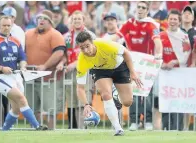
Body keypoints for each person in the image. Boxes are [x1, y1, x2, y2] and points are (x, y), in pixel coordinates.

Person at [75, 31, 142, 136]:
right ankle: (118, 128)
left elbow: (126, 53)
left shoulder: (106, 45)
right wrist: (86, 104)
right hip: (100, 71)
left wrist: (133, 72)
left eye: (87, 46)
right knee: (106, 94)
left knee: (127, 102)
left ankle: (115, 94)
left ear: (93, 43)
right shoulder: (82, 60)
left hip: (119, 67)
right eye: (82, 48)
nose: (86, 50)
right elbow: (80, 88)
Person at [111, 1, 163, 131]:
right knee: (132, 91)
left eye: (143, 8)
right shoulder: (129, 23)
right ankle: (133, 120)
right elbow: (116, 37)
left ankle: (148, 120)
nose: (140, 9)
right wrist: (103, 44)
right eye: (138, 7)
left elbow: (157, 41)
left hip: (147, 64)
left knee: (147, 93)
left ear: (147, 10)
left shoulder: (151, 24)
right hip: (132, 63)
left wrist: (159, 53)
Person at [0, 16, 47, 131]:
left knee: (16, 108)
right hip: (0, 77)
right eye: (4, 25)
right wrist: (2, 68)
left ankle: (5, 131)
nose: (6, 28)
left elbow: (22, 58)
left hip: (15, 76)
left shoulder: (16, 40)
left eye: (8, 25)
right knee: (21, 98)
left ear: (11, 26)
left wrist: (23, 66)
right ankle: (37, 126)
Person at [25, 10, 66, 129]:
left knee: (50, 109)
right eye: (39, 18)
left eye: (45, 19)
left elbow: (59, 53)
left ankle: (51, 132)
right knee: (32, 107)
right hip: (30, 76)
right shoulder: (27, 34)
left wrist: (45, 66)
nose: (41, 20)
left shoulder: (55, 34)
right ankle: (36, 129)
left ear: (51, 22)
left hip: (50, 78)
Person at [56, 10, 96, 129]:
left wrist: (75, 63)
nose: (77, 21)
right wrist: (61, 62)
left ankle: (85, 126)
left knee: (84, 98)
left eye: (79, 19)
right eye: (74, 19)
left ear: (83, 20)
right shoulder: (66, 36)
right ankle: (72, 127)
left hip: (85, 70)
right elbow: (64, 54)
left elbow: (92, 52)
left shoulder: (90, 35)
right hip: (69, 72)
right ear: (71, 21)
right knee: (71, 99)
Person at [160, 9, 191, 131]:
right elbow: (156, 52)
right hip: (164, 74)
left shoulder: (184, 37)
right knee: (165, 100)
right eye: (171, 19)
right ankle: (165, 128)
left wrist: (176, 62)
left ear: (179, 22)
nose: (172, 21)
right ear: (167, 20)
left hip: (179, 74)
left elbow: (187, 54)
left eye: (175, 19)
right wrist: (161, 63)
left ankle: (177, 129)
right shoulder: (161, 35)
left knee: (177, 101)